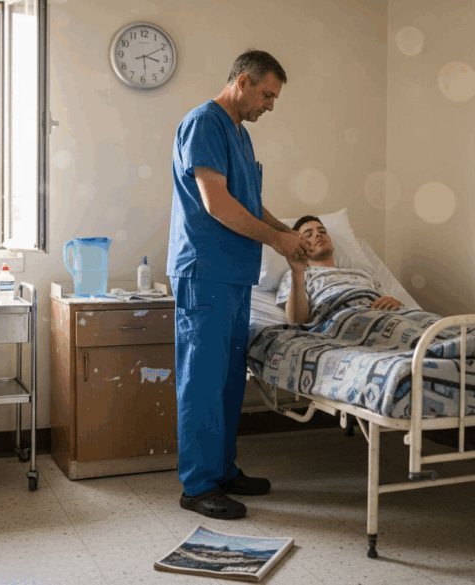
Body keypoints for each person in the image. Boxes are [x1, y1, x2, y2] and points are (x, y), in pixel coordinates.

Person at [167, 50, 310, 520]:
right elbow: (218, 205)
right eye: (267, 94)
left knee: (229, 380)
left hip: (232, 274)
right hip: (204, 271)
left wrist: (287, 234)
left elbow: (249, 202)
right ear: (243, 81)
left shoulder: (241, 137)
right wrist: (275, 239)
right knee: (202, 381)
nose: (270, 104)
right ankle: (199, 485)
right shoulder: (204, 123)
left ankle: (223, 470)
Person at [278, 215, 404, 323]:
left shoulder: (363, 273)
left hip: (387, 317)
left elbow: (385, 301)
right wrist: (297, 272)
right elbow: (296, 322)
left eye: (322, 231)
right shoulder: (296, 275)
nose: (318, 234)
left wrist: (395, 302)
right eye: (309, 234)